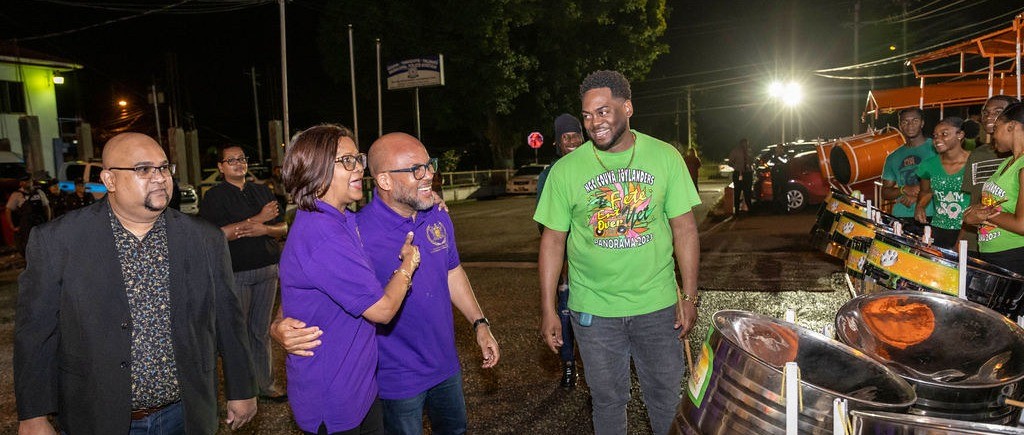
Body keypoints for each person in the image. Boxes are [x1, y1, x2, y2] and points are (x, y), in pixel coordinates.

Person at [14, 132, 257, 434]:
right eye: (144, 169)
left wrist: (242, 387)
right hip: (95, 416)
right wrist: (34, 414)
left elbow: (229, 319)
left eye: (164, 168)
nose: (160, 178)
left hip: (184, 414)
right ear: (109, 180)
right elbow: (35, 332)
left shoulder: (205, 239)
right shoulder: (58, 241)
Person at [273, 132, 500, 435]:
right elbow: (321, 284)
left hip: (438, 368)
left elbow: (452, 270)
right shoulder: (353, 231)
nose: (429, 174)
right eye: (415, 169)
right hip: (391, 380)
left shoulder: (349, 222)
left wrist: (479, 323)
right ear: (385, 182)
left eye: (428, 165)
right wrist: (277, 325)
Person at [535, 70, 700, 435]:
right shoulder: (565, 171)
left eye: (604, 111)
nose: (595, 123)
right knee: (608, 402)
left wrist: (689, 295)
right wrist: (548, 309)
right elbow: (552, 242)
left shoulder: (665, 157)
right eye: (588, 115)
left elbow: (685, 229)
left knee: (666, 399)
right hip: (594, 312)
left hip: (657, 309)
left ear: (627, 108)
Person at [278, 124, 421, 434]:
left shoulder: (339, 218)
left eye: (358, 159)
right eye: (346, 161)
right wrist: (408, 266)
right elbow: (382, 311)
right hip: (334, 399)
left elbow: (298, 290)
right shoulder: (322, 235)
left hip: (359, 388)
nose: (359, 167)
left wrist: (425, 196)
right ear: (316, 170)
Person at [199, 145, 289, 402]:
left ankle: (266, 384)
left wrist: (265, 230)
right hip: (235, 273)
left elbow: (282, 227)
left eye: (242, 158)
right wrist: (260, 218)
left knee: (260, 332)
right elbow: (217, 235)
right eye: (231, 160)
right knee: (236, 334)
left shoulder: (262, 190)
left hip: (268, 269)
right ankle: (243, 390)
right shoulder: (214, 197)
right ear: (220, 167)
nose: (238, 163)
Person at [536, 113, 584, 388]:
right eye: (565, 136)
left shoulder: (596, 167)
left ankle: (594, 372)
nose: (571, 140)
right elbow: (546, 229)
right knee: (564, 314)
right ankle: (568, 365)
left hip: (594, 264)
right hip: (566, 264)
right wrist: (561, 266)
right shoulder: (549, 176)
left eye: (575, 134)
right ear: (557, 142)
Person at [963, 103, 1024, 275]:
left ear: (1011, 126)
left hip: (1015, 255)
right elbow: (998, 206)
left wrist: (985, 214)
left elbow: (1022, 224)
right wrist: (973, 215)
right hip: (994, 253)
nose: (993, 135)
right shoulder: (1007, 162)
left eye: (996, 128)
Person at [914, 117, 970, 249]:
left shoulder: (974, 162)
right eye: (935, 136)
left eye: (944, 134)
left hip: (968, 229)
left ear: (960, 135)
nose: (937, 139)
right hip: (939, 229)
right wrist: (920, 206)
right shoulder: (928, 165)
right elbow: (927, 191)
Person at [881, 107, 937, 228]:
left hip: (931, 214)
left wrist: (919, 194)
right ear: (900, 125)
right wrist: (903, 189)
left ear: (922, 123)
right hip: (901, 216)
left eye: (915, 121)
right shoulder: (893, 157)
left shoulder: (936, 148)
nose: (910, 125)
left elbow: (948, 179)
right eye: (905, 122)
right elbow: (885, 192)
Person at [6, 175, 51, 256]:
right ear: (20, 183)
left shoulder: (39, 192)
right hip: (26, 224)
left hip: (40, 221)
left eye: (28, 181)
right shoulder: (17, 195)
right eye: (24, 181)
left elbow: (46, 207)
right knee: (29, 245)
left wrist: (48, 220)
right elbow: (8, 210)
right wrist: (12, 226)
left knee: (44, 242)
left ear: (32, 181)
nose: (27, 183)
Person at [728, 138, 753, 214]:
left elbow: (752, 160)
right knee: (737, 192)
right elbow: (730, 162)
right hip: (739, 173)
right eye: (745, 143)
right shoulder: (735, 151)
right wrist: (736, 167)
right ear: (741, 143)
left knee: (748, 192)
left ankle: (750, 210)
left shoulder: (749, 151)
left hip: (748, 173)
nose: (746, 145)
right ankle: (737, 210)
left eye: (747, 144)